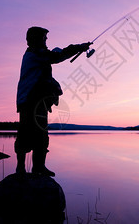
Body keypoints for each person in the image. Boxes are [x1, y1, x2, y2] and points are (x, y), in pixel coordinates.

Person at [15, 26, 90, 176]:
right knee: (26, 135)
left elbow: (46, 76)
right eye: (44, 38)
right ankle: (21, 170)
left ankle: (37, 168)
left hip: (36, 103)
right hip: (30, 102)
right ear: (36, 39)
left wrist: (55, 89)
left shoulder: (38, 56)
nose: (46, 41)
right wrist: (78, 48)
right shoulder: (35, 54)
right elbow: (56, 56)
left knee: (40, 135)